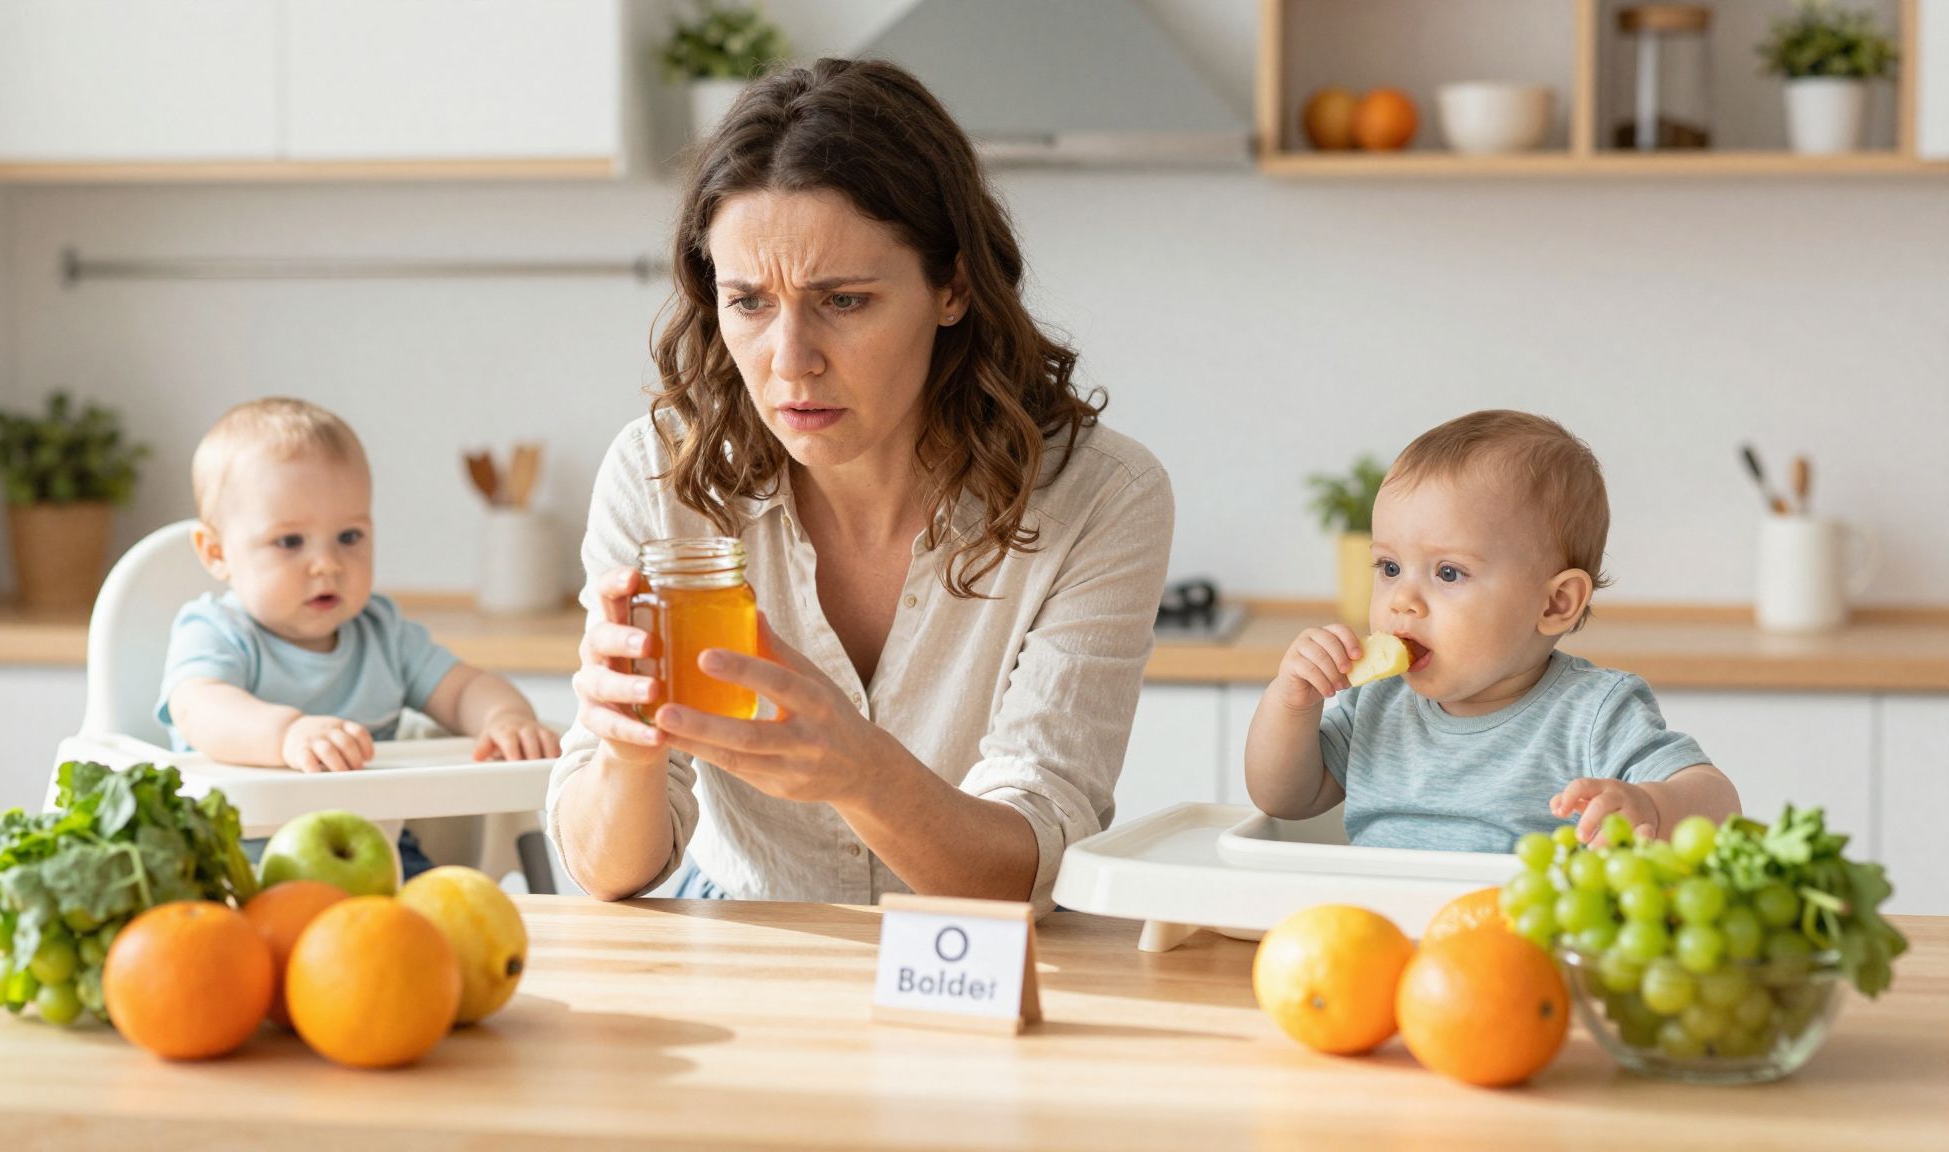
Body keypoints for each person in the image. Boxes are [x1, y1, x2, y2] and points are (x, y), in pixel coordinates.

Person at [547, 59, 1174, 907]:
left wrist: (860, 772)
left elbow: (1026, 867)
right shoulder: (662, 477)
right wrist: (627, 747)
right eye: (749, 303)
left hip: (977, 968)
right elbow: (606, 873)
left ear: (952, 285)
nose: (790, 361)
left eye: (842, 301)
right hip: (747, 954)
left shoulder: (1101, 498)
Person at [1244, 410, 1739, 852]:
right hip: (1380, 935)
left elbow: (1718, 800)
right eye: (1390, 568)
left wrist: (1651, 805)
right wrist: (1292, 702)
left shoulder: (1593, 712)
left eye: (1448, 573)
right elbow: (1284, 799)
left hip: (1517, 941)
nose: (1402, 600)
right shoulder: (1377, 704)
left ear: (1555, 603)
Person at [159, 397, 562, 876]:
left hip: (374, 846)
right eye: (290, 541)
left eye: (349, 537)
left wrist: (506, 717)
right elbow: (199, 708)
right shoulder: (217, 633)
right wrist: (286, 734)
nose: (327, 563)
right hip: (236, 861)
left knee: (433, 910)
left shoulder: (382, 635)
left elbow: (463, 688)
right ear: (216, 552)